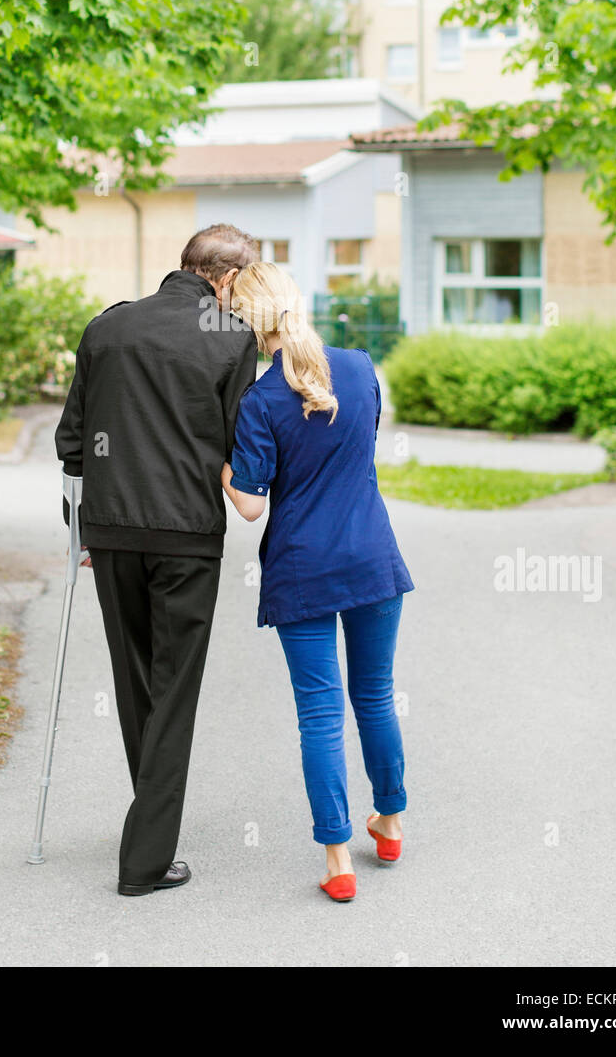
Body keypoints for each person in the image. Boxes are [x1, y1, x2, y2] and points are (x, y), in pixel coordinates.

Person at [56, 224, 259, 896]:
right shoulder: (233, 339)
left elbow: (73, 443)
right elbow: (240, 445)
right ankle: (145, 862)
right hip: (185, 537)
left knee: (136, 680)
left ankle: (150, 819)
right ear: (225, 280)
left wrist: (82, 531)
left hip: (111, 532)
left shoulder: (107, 328)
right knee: (174, 691)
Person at [222, 262, 414, 902]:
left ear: (250, 323)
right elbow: (360, 452)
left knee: (321, 714)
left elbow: (249, 506)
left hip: (303, 570)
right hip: (372, 561)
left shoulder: (260, 400)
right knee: (376, 696)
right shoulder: (360, 369)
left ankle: (337, 859)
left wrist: (221, 466)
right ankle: (389, 823)